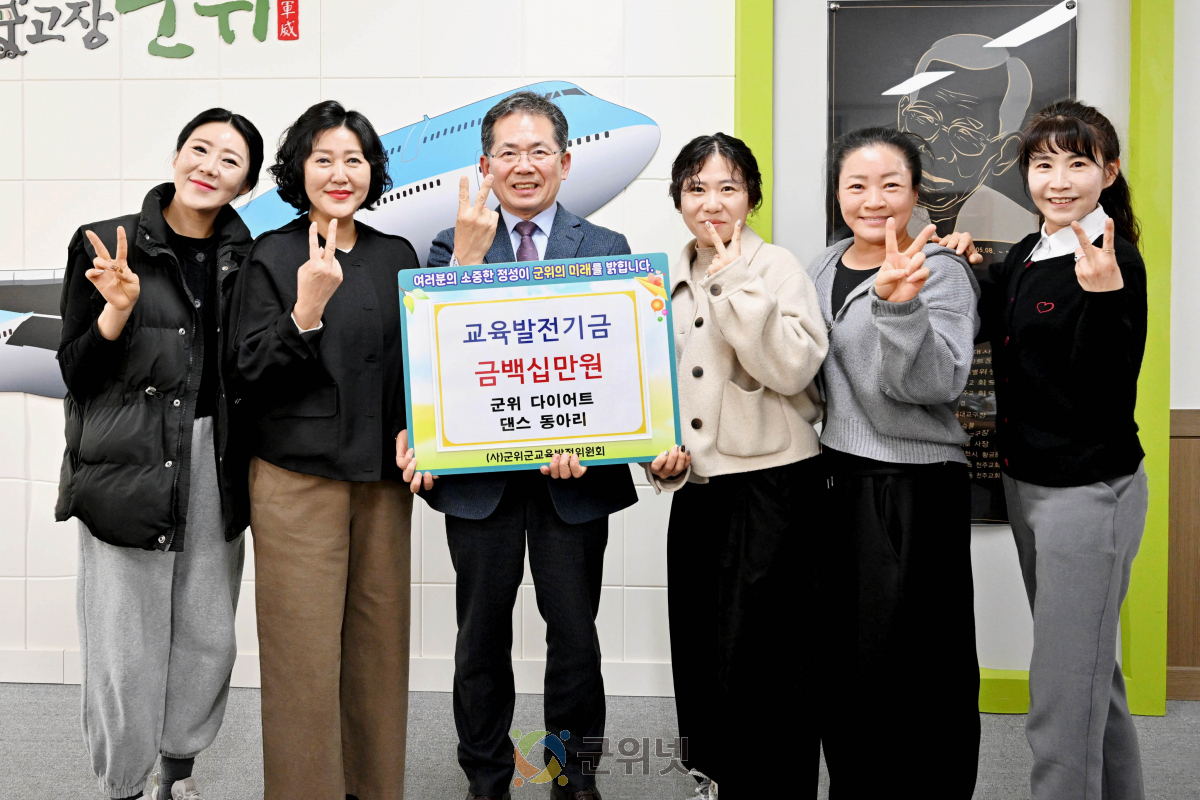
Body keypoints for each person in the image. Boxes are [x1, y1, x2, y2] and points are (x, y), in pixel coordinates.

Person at [412, 90, 637, 800]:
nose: (524, 164)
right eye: (508, 152)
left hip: (575, 481)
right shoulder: (449, 246)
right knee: (480, 638)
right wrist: (468, 260)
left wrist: (593, 441)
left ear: (565, 163)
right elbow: (436, 360)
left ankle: (573, 774)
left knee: (574, 637)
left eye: (539, 150)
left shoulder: (606, 249)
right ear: (485, 166)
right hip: (481, 486)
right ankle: (486, 777)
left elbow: (619, 373)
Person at [56, 108, 264, 800]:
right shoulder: (105, 242)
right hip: (129, 457)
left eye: (230, 160)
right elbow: (77, 373)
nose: (209, 166)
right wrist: (116, 310)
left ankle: (177, 775)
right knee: (124, 639)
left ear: (246, 183)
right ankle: (122, 784)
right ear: (176, 155)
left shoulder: (251, 259)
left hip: (216, 457)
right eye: (200, 149)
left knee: (208, 630)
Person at [228, 100, 418, 800]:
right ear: (299, 171)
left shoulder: (396, 255)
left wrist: (418, 431)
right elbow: (248, 372)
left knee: (378, 650)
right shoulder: (272, 255)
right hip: (295, 481)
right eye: (324, 159)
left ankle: (374, 789)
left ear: (373, 171)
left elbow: (417, 367)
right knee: (302, 658)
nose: (340, 174)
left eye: (354, 160)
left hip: (382, 483)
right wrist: (305, 309)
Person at [643, 133, 829, 800]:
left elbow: (793, 368)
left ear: (751, 197)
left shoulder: (777, 267)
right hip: (700, 492)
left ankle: (773, 788)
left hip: (775, 487)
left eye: (729, 187)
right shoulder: (661, 280)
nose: (712, 202)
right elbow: (653, 391)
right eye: (697, 188)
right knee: (700, 648)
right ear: (678, 199)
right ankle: (715, 779)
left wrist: (733, 281)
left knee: (770, 655)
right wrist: (661, 461)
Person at [977, 99, 1149, 800]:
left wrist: (1104, 299)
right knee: (1088, 675)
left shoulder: (1111, 257)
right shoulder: (1030, 249)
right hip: (1028, 482)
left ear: (1109, 171)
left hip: (1087, 490)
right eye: (1043, 164)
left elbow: (1105, 388)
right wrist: (968, 263)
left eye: (1078, 163)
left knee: (1060, 692)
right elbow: (1004, 325)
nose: (1058, 180)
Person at [810, 126, 981, 796]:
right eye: (856, 185)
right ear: (838, 193)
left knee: (925, 665)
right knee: (846, 661)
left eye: (890, 185)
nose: (873, 200)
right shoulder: (821, 267)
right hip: (837, 482)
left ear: (915, 193)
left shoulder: (942, 270)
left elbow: (937, 384)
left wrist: (899, 307)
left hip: (915, 486)